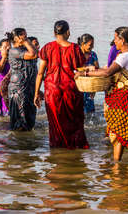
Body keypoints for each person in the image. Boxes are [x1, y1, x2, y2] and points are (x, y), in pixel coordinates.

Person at [75, 27, 128, 163]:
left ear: (123, 40)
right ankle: (116, 165)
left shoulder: (125, 56)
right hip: (122, 98)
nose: (114, 42)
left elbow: (107, 73)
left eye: (116, 39)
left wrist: (84, 73)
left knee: (126, 137)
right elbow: (109, 70)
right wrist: (91, 69)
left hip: (124, 100)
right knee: (117, 135)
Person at [34, 20, 89, 149]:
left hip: (52, 90)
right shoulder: (75, 48)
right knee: (74, 121)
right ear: (68, 32)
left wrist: (36, 93)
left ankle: (57, 149)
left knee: (55, 123)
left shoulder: (47, 47)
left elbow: (40, 73)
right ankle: (75, 149)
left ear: (54, 33)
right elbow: (80, 69)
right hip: (71, 90)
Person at [6, 28, 38, 131]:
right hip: (19, 89)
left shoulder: (25, 50)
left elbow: (37, 54)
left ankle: (28, 142)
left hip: (29, 87)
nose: (26, 37)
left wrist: (37, 90)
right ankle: (19, 143)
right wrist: (27, 42)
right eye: (23, 35)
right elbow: (33, 54)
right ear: (16, 38)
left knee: (30, 117)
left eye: (26, 35)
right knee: (20, 119)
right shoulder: (14, 51)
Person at [78, 34, 99, 113]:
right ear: (83, 44)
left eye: (93, 45)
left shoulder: (93, 55)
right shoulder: (76, 54)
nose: (92, 47)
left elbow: (97, 71)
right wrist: (87, 68)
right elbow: (74, 69)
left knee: (90, 113)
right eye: (90, 45)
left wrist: (94, 90)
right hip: (77, 87)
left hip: (89, 87)